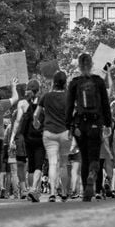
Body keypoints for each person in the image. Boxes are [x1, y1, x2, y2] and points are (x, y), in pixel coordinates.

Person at [65, 53, 113, 201]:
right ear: (92, 65)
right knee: (94, 156)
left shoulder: (74, 83)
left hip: (79, 124)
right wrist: (108, 123)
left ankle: (86, 189)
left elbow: (69, 106)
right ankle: (93, 174)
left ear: (78, 65)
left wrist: (68, 125)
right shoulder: (98, 82)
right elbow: (105, 104)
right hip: (95, 123)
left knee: (84, 157)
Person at [37, 71, 71, 201]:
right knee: (63, 164)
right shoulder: (69, 96)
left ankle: (52, 193)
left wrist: (36, 122)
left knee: (52, 163)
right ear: (65, 82)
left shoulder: (46, 96)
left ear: (54, 82)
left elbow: (36, 114)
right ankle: (63, 192)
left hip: (49, 132)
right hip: (65, 132)